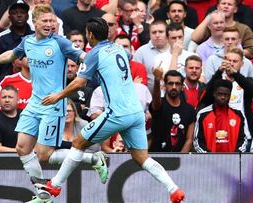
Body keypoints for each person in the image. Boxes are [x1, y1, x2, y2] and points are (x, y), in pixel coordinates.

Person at [34, 17, 185, 203]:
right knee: (142, 158)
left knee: (79, 143)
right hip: (136, 112)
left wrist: (58, 96)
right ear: (107, 33)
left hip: (117, 113)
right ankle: (173, 189)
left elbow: (81, 82)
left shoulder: (94, 53)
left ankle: (54, 186)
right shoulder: (119, 48)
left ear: (89, 35)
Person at [0, 5, 106, 203]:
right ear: (35, 23)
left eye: (52, 21)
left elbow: (82, 56)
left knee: (44, 154)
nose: (49, 25)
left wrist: (98, 59)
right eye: (45, 21)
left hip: (54, 105)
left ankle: (94, 158)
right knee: (22, 148)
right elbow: (12, 55)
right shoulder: (27, 41)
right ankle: (43, 193)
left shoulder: (60, 43)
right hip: (34, 103)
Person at [194, 79, 250, 153]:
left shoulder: (238, 114)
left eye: (226, 95)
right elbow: (197, 141)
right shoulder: (203, 114)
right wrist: (208, 156)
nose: (223, 97)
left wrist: (236, 155)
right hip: (208, 161)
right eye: (220, 94)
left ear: (230, 95)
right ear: (214, 94)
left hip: (232, 161)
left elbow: (243, 139)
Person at [150, 69, 195, 152]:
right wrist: (157, 80)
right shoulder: (159, 105)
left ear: (182, 86)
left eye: (177, 84)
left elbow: (189, 139)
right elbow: (156, 101)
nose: (174, 87)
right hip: (156, 157)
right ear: (164, 85)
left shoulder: (189, 109)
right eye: (170, 83)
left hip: (179, 160)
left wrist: (180, 159)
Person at [0, 0, 34, 82]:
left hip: (34, 83)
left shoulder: (36, 36)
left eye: (22, 12)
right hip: (7, 85)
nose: (19, 15)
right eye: (15, 13)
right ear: (9, 17)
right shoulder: (0, 38)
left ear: (27, 16)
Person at [133, 20, 169, 92]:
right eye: (154, 32)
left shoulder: (174, 50)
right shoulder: (141, 52)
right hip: (150, 99)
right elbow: (135, 75)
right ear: (149, 34)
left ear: (168, 33)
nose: (157, 35)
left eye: (161, 32)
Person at [0, 85, 20, 152]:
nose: (7, 100)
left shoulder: (25, 116)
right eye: (4, 97)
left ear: (18, 99)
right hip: (5, 159)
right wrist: (20, 151)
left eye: (10, 97)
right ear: (0, 99)